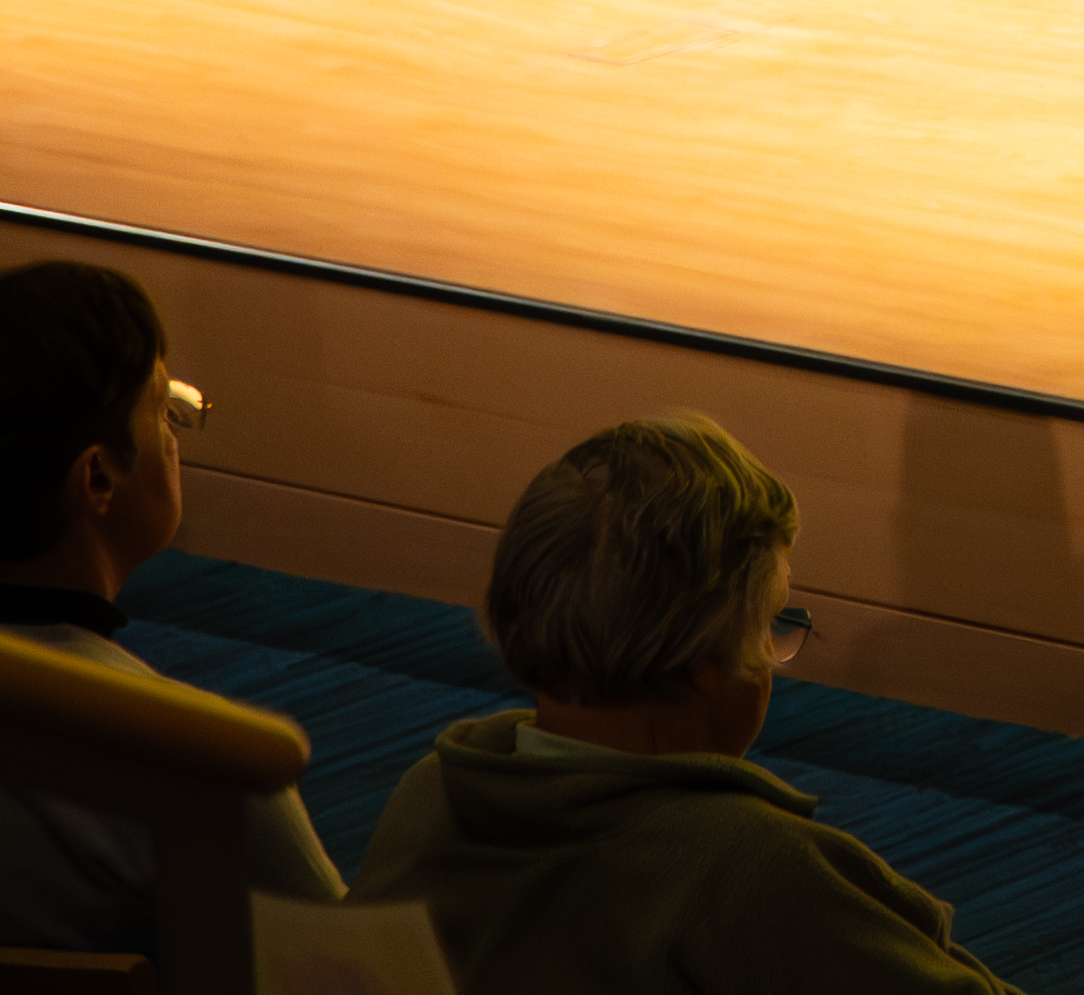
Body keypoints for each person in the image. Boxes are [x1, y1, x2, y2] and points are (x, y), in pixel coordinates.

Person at [351, 413, 1022, 990]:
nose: (774, 655)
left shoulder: (431, 794)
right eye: (771, 627)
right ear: (707, 664)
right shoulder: (753, 872)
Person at [0, 262, 345, 952]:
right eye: (163, 411)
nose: (176, 435)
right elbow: (350, 971)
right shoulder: (208, 764)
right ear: (97, 476)